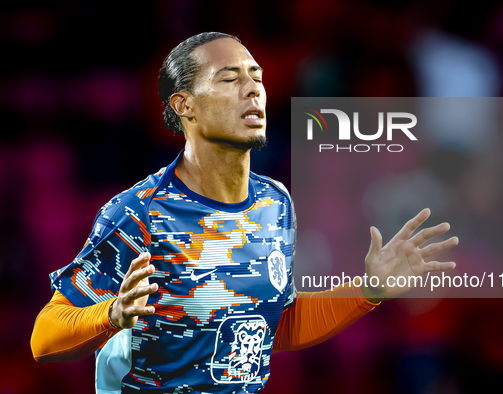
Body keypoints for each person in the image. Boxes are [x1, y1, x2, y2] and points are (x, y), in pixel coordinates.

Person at [30, 32, 458, 394]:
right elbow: (44, 338)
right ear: (185, 106)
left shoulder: (275, 202)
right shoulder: (137, 211)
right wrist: (111, 314)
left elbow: (277, 327)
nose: (252, 89)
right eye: (229, 79)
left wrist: (369, 289)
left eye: (256, 77)